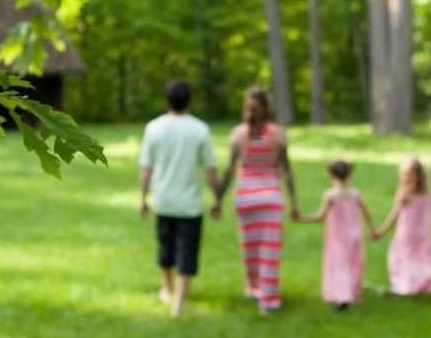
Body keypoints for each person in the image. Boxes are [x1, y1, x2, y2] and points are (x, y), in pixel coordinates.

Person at [139, 80, 221, 318]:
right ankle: (178, 302)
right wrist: (217, 199)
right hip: (189, 204)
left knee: (165, 247)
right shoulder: (200, 129)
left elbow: (146, 168)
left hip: (163, 200)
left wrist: (143, 198)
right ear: (190, 99)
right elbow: (210, 169)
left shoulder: (153, 128)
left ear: (167, 100)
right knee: (187, 251)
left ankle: (167, 289)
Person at [214, 87, 299, 315]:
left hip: (245, 198)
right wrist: (295, 204)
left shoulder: (238, 135)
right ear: (267, 108)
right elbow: (287, 171)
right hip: (271, 197)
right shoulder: (278, 135)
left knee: (250, 248)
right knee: (269, 251)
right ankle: (268, 299)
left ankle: (253, 287)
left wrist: (218, 200)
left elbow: (230, 171)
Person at [297, 159, 376, 310]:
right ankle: (353, 293)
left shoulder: (330, 195)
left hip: (337, 238)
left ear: (331, 174)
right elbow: (367, 214)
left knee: (340, 265)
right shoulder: (355, 194)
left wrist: (302, 218)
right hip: (354, 235)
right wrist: (372, 229)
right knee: (354, 263)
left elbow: (321, 216)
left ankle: (342, 296)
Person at [373, 157, 431, 296]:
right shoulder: (427, 193)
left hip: (407, 233)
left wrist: (381, 231)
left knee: (400, 257)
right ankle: (425, 283)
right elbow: (430, 213)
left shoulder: (405, 193)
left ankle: (406, 284)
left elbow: (394, 215)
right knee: (423, 258)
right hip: (423, 233)